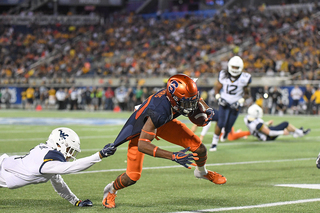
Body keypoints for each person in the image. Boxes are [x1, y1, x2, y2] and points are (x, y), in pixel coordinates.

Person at [102, 74, 226, 209]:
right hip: (141, 130)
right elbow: (142, 145)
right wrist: (173, 156)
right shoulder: (158, 111)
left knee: (199, 148)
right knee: (132, 177)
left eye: (192, 101)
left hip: (164, 123)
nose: (191, 106)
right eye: (187, 103)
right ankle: (111, 190)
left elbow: (196, 98)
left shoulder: (180, 94)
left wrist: (206, 107)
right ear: (174, 100)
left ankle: (201, 172)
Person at [0, 127, 116, 207]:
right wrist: (100, 155)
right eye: (69, 150)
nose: (70, 155)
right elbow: (73, 167)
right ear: (59, 144)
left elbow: (58, 183)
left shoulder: (46, 154)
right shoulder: (46, 161)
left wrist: (75, 201)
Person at [209, 56, 251, 151]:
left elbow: (247, 94)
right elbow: (217, 89)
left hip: (236, 103)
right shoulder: (223, 74)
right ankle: (214, 143)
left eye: (237, 67)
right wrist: (218, 97)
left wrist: (240, 101)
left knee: (229, 125)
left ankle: (227, 132)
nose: (235, 69)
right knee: (221, 123)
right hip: (224, 102)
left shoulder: (245, 77)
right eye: (234, 67)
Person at [244, 104, 310, 141]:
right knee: (285, 124)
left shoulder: (247, 118)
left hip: (262, 134)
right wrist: (282, 132)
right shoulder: (258, 124)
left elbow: (257, 125)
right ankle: (300, 133)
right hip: (267, 137)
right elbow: (270, 133)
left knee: (277, 126)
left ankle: (296, 133)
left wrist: (267, 123)